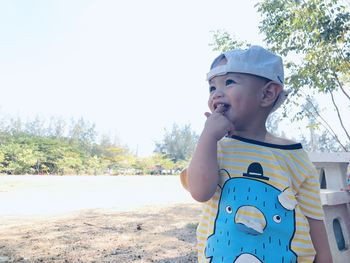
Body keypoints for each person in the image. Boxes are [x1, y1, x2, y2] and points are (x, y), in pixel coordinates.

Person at [180, 45, 332, 263]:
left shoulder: (293, 155)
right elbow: (200, 192)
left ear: (267, 93)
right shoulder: (214, 148)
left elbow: (315, 221)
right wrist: (208, 137)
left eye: (229, 82)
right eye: (212, 88)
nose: (217, 93)